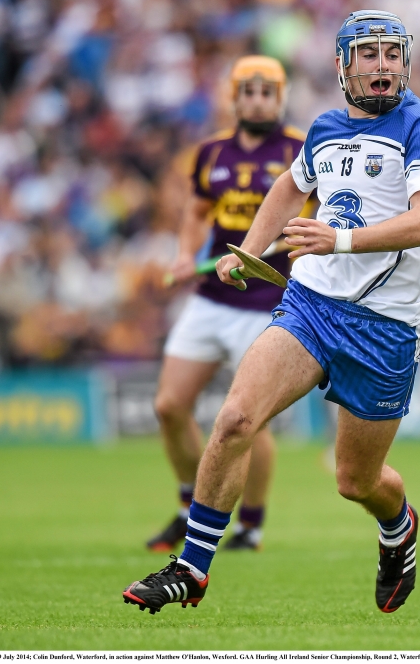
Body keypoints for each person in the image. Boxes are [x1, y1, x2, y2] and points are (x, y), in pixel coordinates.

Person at [122, 10, 420, 615]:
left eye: (391, 55)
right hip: (310, 304)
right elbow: (288, 187)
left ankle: (398, 526)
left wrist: (341, 240)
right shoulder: (325, 128)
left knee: (356, 481)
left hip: (384, 327)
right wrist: (249, 252)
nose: (382, 68)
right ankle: (191, 568)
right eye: (368, 55)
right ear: (342, 65)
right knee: (234, 420)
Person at [147, 55, 306, 553]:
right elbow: (197, 214)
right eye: (249, 91)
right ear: (234, 98)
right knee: (170, 406)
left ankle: (250, 525)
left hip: (267, 298)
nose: (258, 100)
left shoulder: (303, 148)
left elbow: (324, 213)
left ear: (280, 99)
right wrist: (182, 254)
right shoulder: (211, 153)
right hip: (212, 295)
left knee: (248, 417)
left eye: (268, 92)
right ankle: (188, 503)